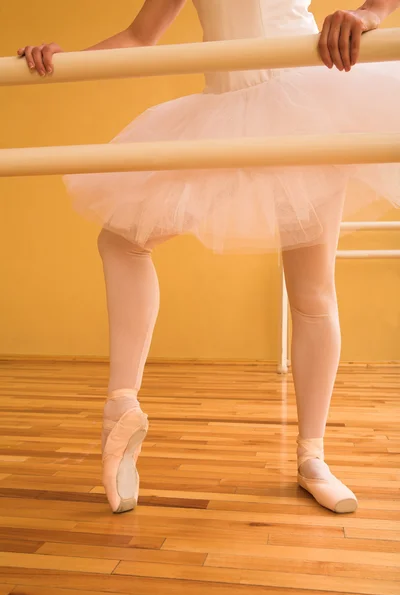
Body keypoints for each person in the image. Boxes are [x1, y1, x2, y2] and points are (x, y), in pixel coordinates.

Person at [18, 0, 400, 514]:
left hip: (307, 93)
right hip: (225, 108)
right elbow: (138, 36)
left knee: (311, 294)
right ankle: (121, 409)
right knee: (122, 239)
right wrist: (60, 60)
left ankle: (313, 457)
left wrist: (370, 14)